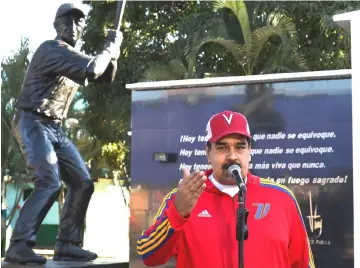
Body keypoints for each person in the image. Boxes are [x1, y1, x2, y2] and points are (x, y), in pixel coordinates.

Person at [4, 3, 123, 265]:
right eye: (66, 21)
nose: (73, 26)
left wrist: (114, 51)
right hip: (31, 119)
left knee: (82, 183)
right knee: (49, 181)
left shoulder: (71, 56)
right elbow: (93, 68)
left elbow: (105, 77)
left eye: (78, 22)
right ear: (56, 26)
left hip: (54, 127)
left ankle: (67, 244)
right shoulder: (52, 49)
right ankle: (19, 244)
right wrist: (108, 50)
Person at [137, 110, 315, 268]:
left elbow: (303, 262)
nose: (232, 156)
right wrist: (179, 212)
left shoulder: (282, 198)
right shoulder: (184, 197)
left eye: (240, 147)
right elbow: (149, 256)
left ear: (250, 151)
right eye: (222, 148)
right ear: (208, 153)